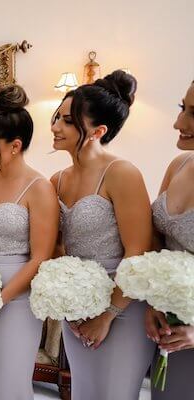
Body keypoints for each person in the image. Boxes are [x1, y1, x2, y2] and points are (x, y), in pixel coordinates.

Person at [50, 70, 155, 399]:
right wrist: (68, 297)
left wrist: (108, 314)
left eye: (67, 121)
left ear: (98, 131)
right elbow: (57, 247)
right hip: (77, 307)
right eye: (57, 117)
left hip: (121, 305)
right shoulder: (57, 180)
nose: (54, 127)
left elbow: (138, 250)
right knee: (83, 391)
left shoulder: (121, 173)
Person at [0, 85, 58, 399]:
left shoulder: (39, 188)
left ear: (15, 145)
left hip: (15, 298)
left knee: (9, 380)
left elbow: (40, 257)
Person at [147, 80, 194, 400]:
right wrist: (150, 302)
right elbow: (156, 241)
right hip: (166, 327)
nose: (179, 122)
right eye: (183, 108)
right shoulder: (178, 165)